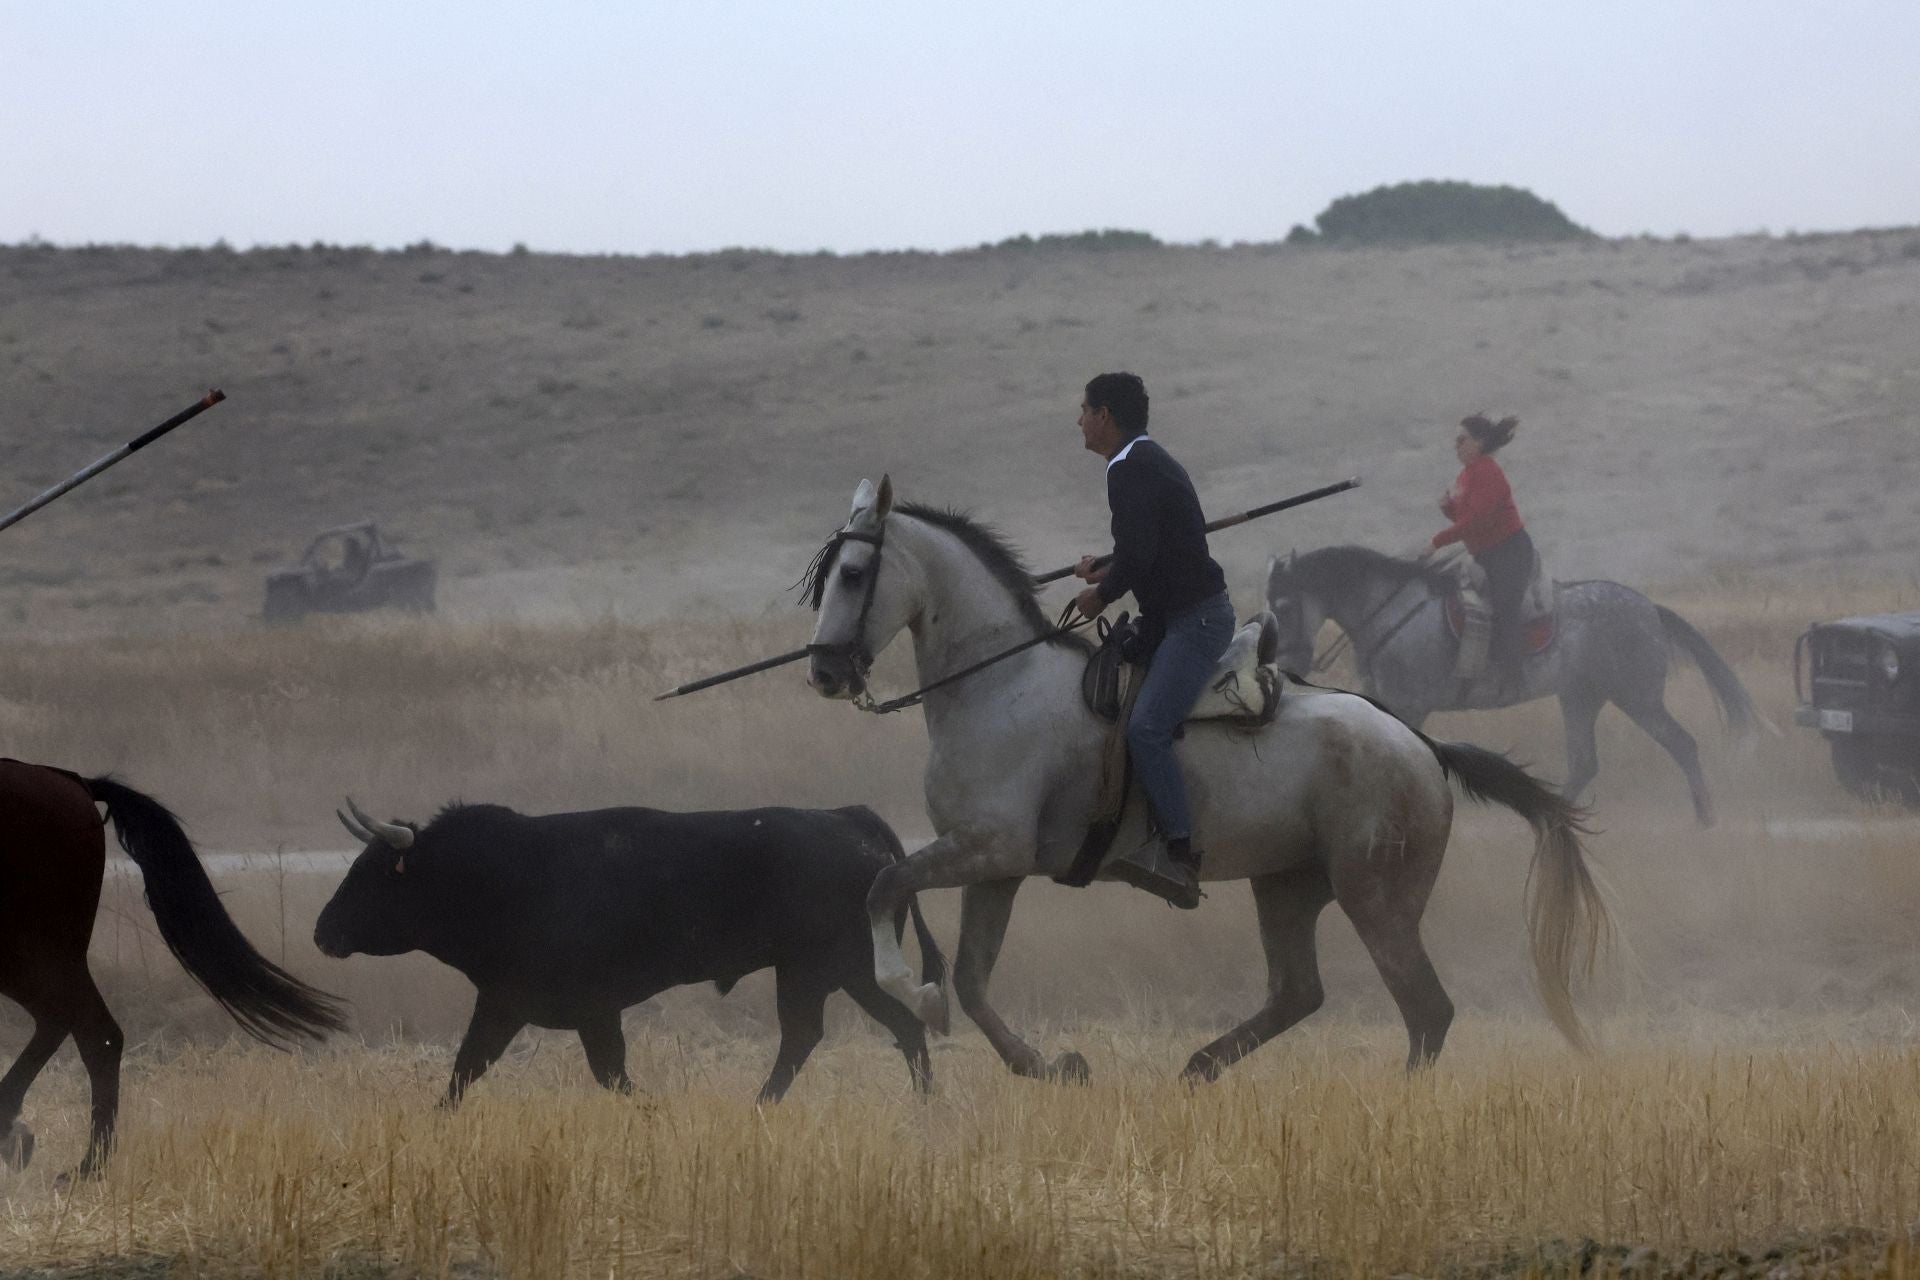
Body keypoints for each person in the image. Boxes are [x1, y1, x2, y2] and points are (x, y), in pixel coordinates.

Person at [1072, 372, 1235, 908]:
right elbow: (1148, 545)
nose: (1079, 420)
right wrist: (1108, 566)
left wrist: (1103, 594)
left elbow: (1142, 555)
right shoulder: (1143, 460)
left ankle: (1180, 854)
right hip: (1174, 615)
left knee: (1145, 729)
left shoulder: (1129, 471)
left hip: (1196, 621)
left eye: (1085, 409)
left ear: (1106, 417)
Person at [1427, 413, 1534, 694]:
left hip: (1509, 552)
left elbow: (1477, 521)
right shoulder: (1468, 473)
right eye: (1456, 441)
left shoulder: (1486, 471)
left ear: (1479, 442)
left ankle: (1515, 678)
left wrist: (1437, 542)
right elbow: (1468, 520)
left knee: (1504, 607)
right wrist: (1448, 510)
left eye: (1462, 440)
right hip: (1486, 553)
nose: (1456, 446)